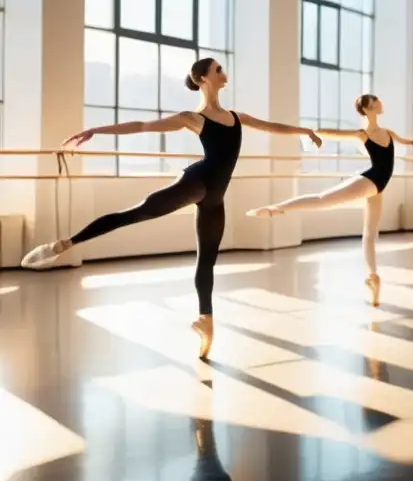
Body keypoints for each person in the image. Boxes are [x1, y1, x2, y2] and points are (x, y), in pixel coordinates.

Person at [20, 57, 322, 359]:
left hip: (215, 198)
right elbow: (142, 125)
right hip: (197, 182)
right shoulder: (193, 118)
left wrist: (304, 131)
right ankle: (63, 245)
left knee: (207, 260)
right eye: (217, 69)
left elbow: (271, 127)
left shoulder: (237, 117)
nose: (223, 72)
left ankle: (206, 322)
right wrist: (97, 130)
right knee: (137, 213)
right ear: (203, 79)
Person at [246, 93, 413, 307]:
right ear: (367, 109)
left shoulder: (389, 133)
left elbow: (406, 142)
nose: (381, 103)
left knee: (369, 235)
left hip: (379, 186)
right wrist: (311, 132)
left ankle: (373, 278)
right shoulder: (362, 134)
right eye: (376, 102)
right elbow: (333, 134)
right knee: (323, 200)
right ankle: (276, 208)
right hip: (370, 180)